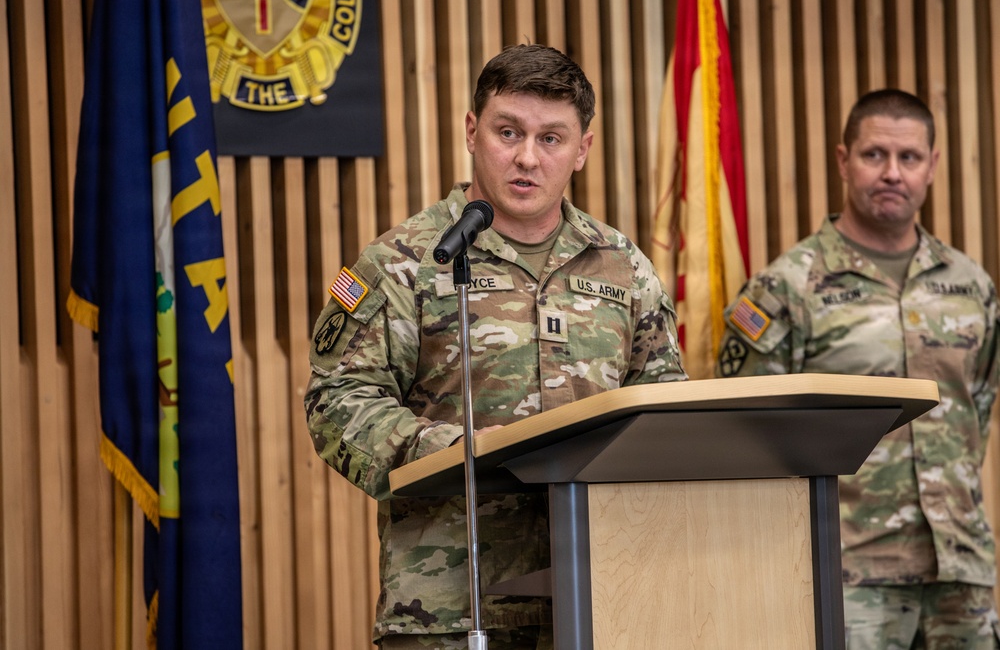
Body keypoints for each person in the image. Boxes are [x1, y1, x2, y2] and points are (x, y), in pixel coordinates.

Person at [304, 44, 687, 649]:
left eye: (552, 139)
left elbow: (664, 410)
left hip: (600, 599)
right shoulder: (404, 262)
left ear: (583, 149)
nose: (527, 158)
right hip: (449, 606)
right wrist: (455, 454)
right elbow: (336, 400)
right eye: (508, 132)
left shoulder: (624, 267)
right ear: (471, 131)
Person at [717, 88, 1000, 649]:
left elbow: (977, 414)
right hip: (846, 572)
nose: (892, 172)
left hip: (961, 569)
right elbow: (744, 434)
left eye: (909, 157)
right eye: (874, 155)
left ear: (933, 166)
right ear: (844, 160)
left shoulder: (973, 286)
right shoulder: (786, 288)